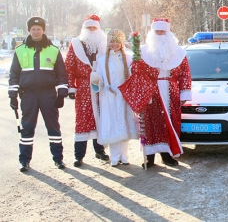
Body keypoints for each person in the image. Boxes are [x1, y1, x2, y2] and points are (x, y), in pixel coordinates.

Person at [120, 18, 192, 168]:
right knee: (150, 124)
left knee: (168, 123)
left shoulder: (179, 53)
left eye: (162, 31)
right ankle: (150, 157)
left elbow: (185, 73)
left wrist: (185, 93)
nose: (160, 34)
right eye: (157, 31)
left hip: (170, 93)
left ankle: (167, 155)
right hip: (150, 92)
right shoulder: (143, 52)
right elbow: (137, 72)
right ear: (152, 32)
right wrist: (136, 59)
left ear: (168, 32)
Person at [8, 17, 68, 172]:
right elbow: (14, 74)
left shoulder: (53, 50)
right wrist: (12, 96)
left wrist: (61, 94)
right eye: (33, 29)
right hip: (29, 95)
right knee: (27, 128)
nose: (36, 32)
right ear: (29, 30)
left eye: (39, 29)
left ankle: (58, 159)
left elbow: (62, 74)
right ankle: (24, 161)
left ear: (43, 30)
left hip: (48, 94)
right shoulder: (20, 50)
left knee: (53, 127)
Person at [65, 14, 109, 167]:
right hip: (83, 87)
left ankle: (100, 150)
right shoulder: (76, 43)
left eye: (94, 27)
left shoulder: (103, 43)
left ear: (98, 29)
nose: (91, 30)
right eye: (89, 27)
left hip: (100, 87)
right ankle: (79, 155)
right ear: (84, 28)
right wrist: (71, 87)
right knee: (83, 120)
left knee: (100, 118)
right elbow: (69, 67)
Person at [90, 29, 139, 167]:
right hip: (109, 96)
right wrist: (96, 79)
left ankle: (124, 156)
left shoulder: (128, 58)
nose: (114, 44)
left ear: (121, 43)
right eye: (112, 42)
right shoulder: (101, 60)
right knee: (113, 126)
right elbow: (99, 79)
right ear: (108, 43)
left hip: (124, 96)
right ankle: (114, 157)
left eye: (117, 42)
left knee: (124, 124)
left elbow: (132, 75)